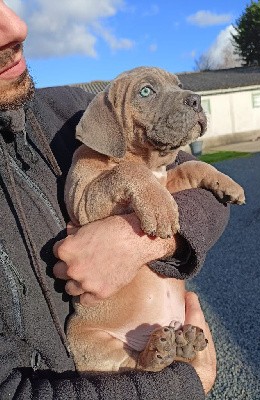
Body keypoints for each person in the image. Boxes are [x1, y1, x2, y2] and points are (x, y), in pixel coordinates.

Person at [0, 1, 230, 398]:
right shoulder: (95, 136)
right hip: (101, 351)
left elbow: (208, 194)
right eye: (148, 92)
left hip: (169, 329)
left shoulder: (64, 110)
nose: (16, 26)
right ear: (109, 125)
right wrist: (182, 387)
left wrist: (146, 241)